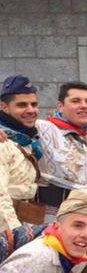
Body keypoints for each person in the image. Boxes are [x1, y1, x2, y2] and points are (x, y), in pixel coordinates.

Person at [35, 82, 87, 222]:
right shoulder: (42, 128)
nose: (84, 106)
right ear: (60, 106)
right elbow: (13, 123)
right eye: (76, 101)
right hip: (52, 216)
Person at [0, 75, 40, 232]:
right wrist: (16, 235)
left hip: (26, 220)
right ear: (3, 106)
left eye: (34, 104)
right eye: (22, 105)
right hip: (7, 230)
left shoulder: (26, 139)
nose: (31, 110)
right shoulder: (3, 141)